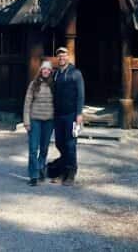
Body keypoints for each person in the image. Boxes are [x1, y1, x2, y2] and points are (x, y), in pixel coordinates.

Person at [51, 47, 84, 185]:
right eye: (59, 56)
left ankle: (70, 173)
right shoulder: (56, 74)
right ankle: (63, 170)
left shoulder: (75, 73)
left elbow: (81, 94)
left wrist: (79, 114)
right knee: (59, 142)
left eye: (64, 55)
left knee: (70, 144)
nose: (61, 58)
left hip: (71, 115)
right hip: (58, 115)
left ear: (68, 57)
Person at [23, 61, 55, 186]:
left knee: (44, 148)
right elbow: (27, 103)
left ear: (51, 71)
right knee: (33, 149)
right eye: (44, 69)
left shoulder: (54, 85)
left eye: (48, 69)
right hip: (35, 119)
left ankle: (41, 167)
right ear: (41, 70)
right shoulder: (33, 84)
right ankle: (33, 175)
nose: (46, 71)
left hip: (49, 120)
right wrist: (26, 121)